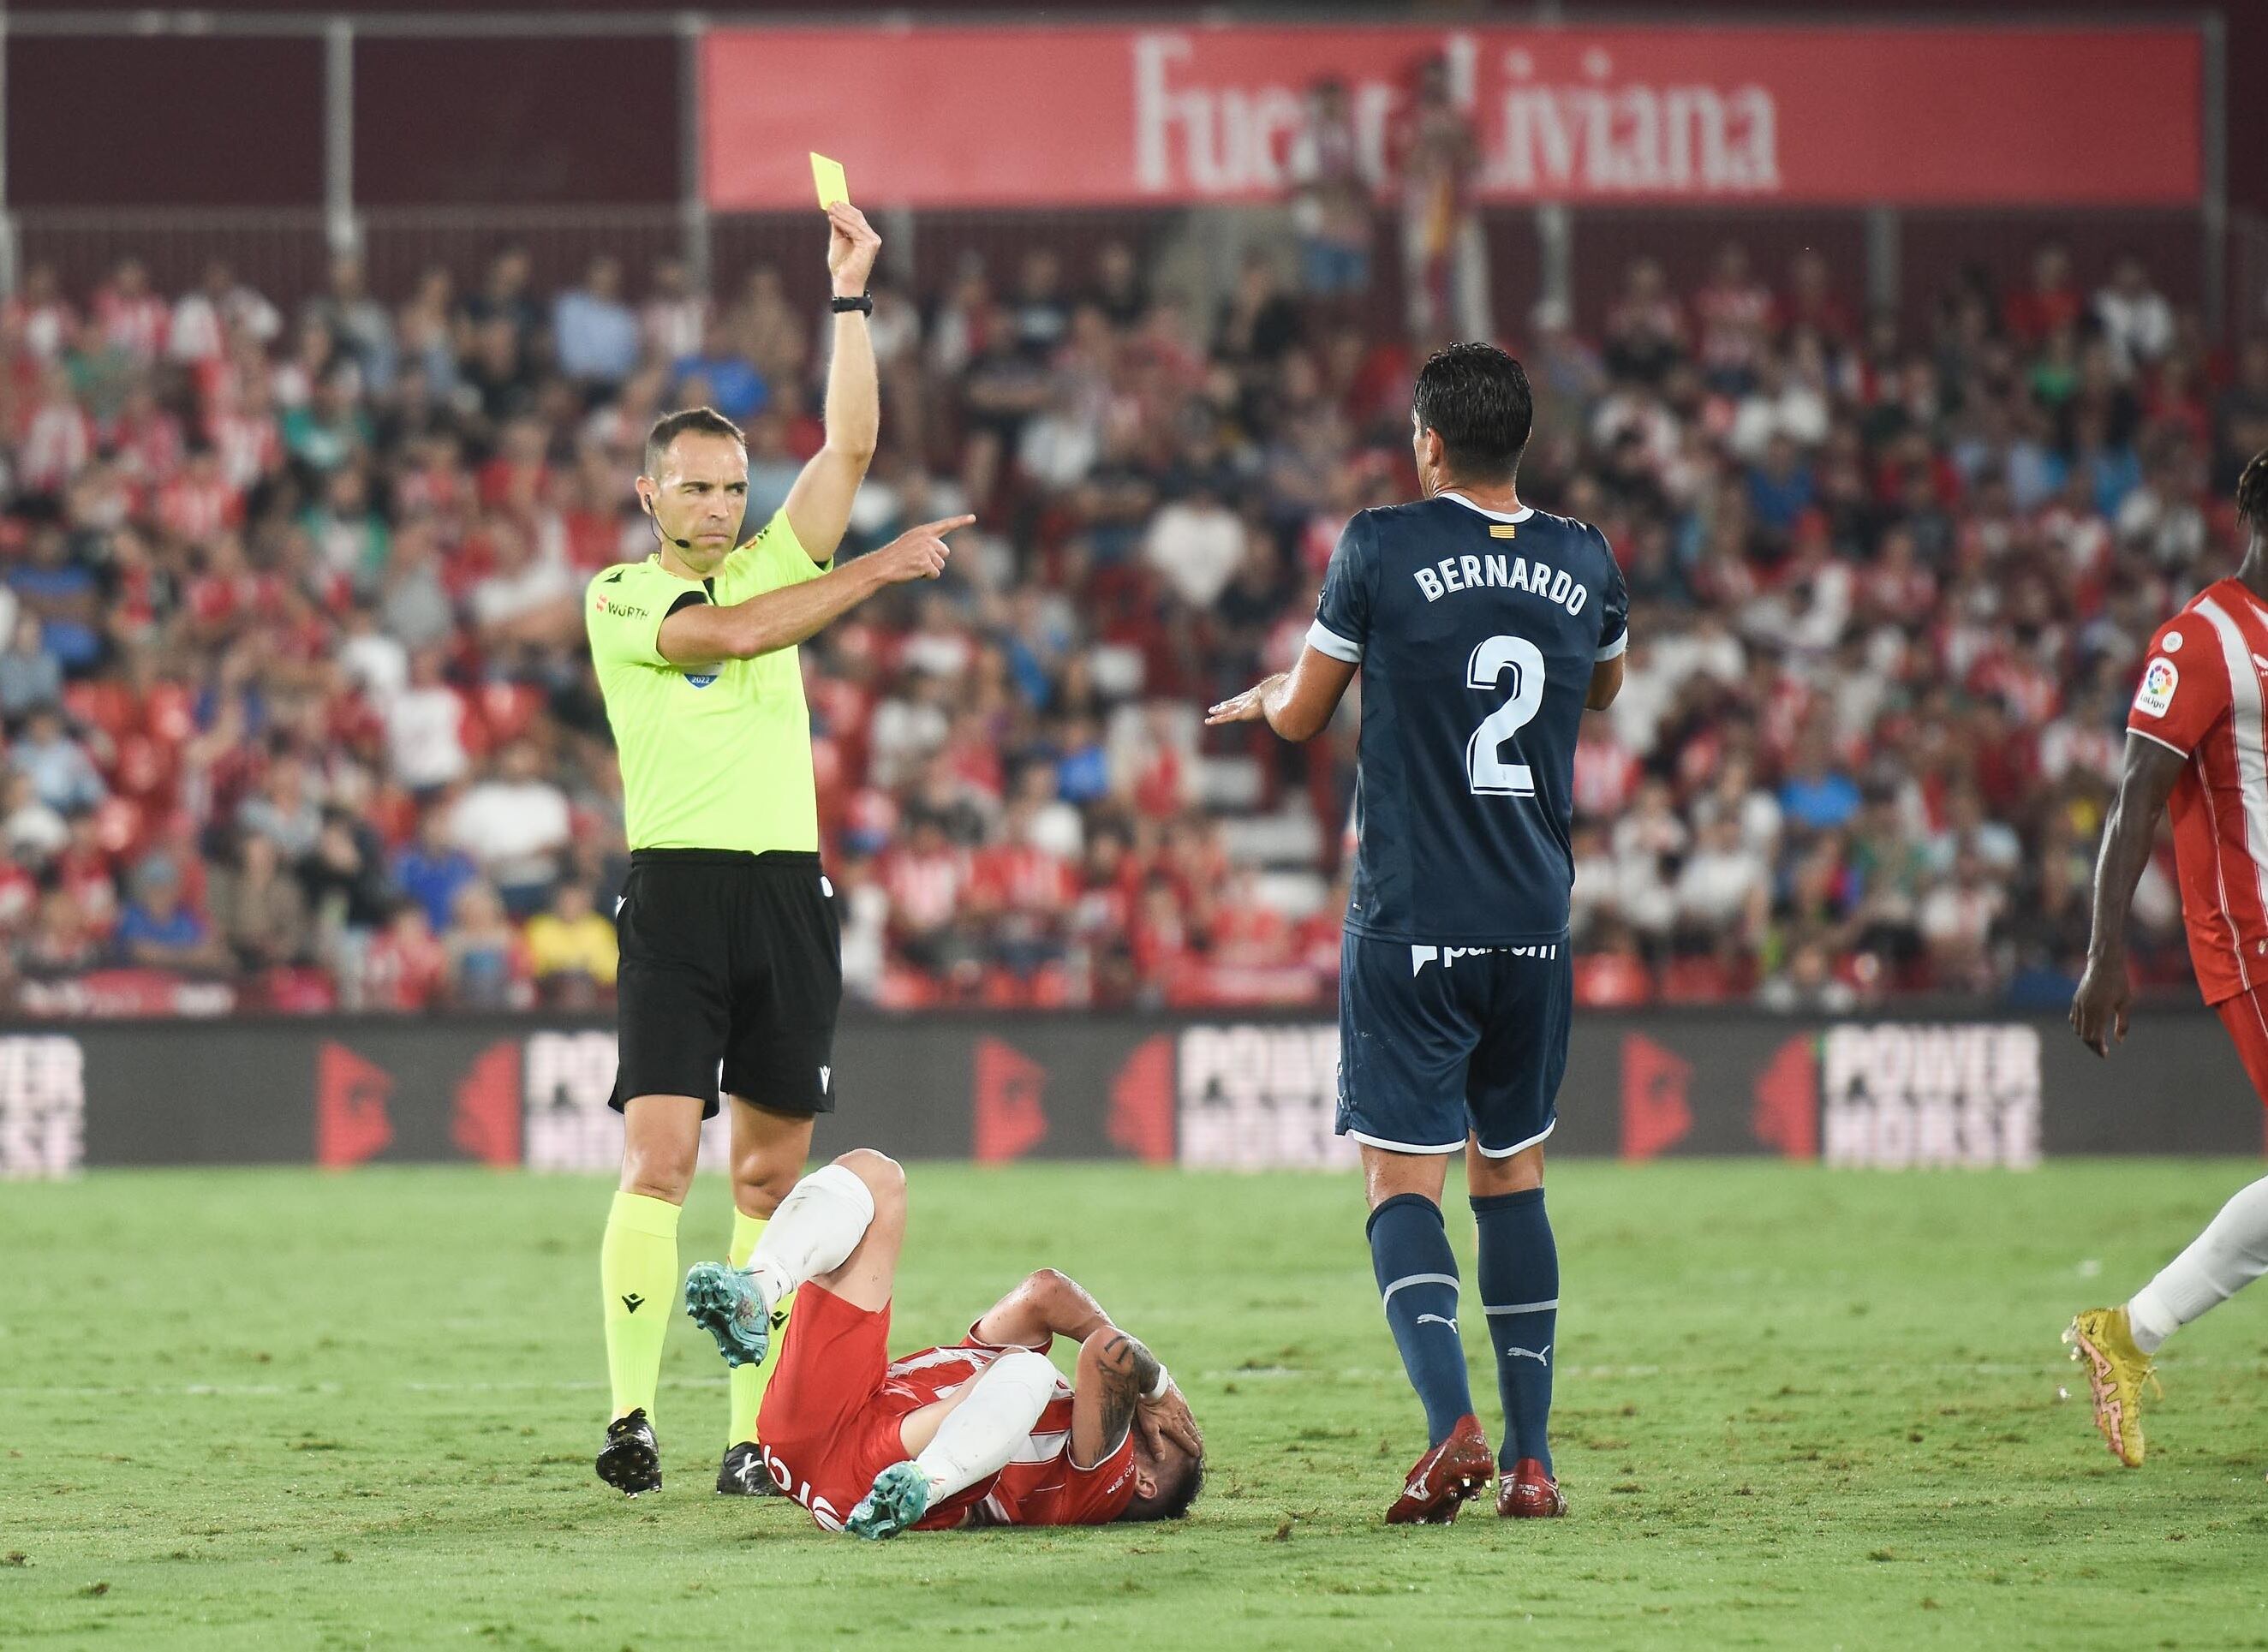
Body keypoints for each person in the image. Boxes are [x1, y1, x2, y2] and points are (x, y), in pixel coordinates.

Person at [584, 199, 975, 1500]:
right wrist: (874, 573)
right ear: (648, 495)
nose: (717, 502)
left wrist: (852, 296)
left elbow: (852, 439)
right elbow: (731, 641)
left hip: (786, 893)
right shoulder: (628, 595)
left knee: (768, 1172)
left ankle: (748, 1437)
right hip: (681, 889)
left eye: (734, 485)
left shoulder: (767, 562)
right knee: (661, 1155)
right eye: (693, 484)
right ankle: (632, 1416)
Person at [1208, 343, 1627, 1523]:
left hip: (1411, 921)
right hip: (1533, 916)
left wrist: (1267, 699)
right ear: (1523, 444)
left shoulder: (1380, 546)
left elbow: (1300, 717)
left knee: (1403, 1179)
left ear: (1429, 442)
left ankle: (1452, 1430)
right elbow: (1604, 686)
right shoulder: (1585, 555)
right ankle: (1535, 1462)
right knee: (1515, 1168)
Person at [2068, 450, 2268, 1468]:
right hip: (2254, 940)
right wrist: (2106, 950)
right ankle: (2128, 1334)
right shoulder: (2202, 639)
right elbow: (2135, 794)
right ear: (2248, 511)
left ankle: (2126, 1334)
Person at [679, 1149, 1203, 1536]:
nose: (1153, 1423)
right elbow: (1045, 1293)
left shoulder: (1100, 1484)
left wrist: (1158, 1388)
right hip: (823, 1425)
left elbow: (1107, 1354)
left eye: (1167, 1439)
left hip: (876, 1472)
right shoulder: (1007, 1393)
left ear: (1146, 1483)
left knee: (1032, 1371)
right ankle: (758, 1288)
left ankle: (921, 1485)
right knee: (877, 1177)